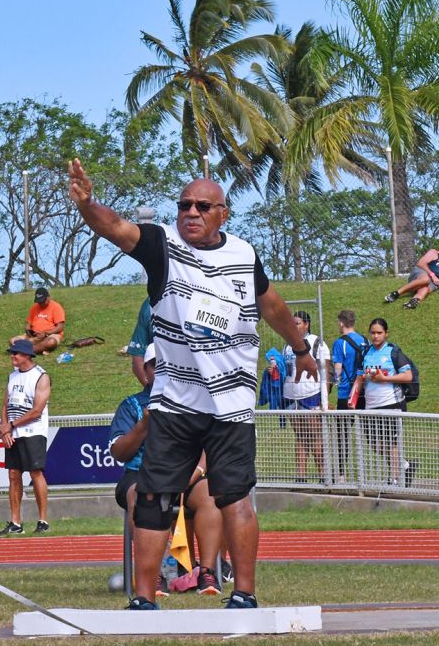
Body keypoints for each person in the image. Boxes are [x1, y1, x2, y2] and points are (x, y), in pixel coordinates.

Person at [69, 158, 317, 611]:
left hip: (231, 405)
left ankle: (243, 594)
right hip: (175, 402)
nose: (191, 213)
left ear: (223, 213)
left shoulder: (243, 254)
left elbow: (273, 305)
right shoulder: (162, 246)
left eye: (203, 206)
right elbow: (116, 227)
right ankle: (143, 599)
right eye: (184, 204)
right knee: (153, 498)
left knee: (235, 498)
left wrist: (300, 349)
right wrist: (88, 205)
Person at [109, 344, 224, 597]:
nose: (162, 370)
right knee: (139, 494)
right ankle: (154, 575)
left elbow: (209, 447)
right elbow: (118, 452)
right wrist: (144, 425)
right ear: (146, 371)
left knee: (211, 494)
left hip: (184, 473)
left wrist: (196, 472)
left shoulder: (192, 402)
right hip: (140, 472)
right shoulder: (132, 406)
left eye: (167, 364)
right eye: (155, 365)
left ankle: (206, 573)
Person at [0, 339, 52, 536]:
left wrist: (11, 425)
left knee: (35, 473)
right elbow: (5, 404)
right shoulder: (12, 376)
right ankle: (15, 522)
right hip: (14, 433)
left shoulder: (40, 377)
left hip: (33, 432)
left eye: (16, 353)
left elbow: (36, 411)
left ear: (27, 355)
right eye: (12, 353)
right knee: (13, 475)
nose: (12, 356)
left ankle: (43, 520)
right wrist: (5, 429)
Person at [352, 318, 414, 485]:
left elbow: (408, 376)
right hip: (371, 405)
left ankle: (394, 479)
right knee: (375, 444)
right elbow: (359, 378)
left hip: (391, 403)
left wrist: (385, 378)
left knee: (390, 442)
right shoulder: (365, 353)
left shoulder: (393, 352)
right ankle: (405, 465)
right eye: (373, 333)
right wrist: (353, 396)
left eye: (379, 333)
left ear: (386, 334)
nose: (376, 336)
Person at [282, 311, 331, 482]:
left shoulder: (317, 342)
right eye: (292, 323)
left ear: (306, 324)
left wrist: (325, 397)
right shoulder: (288, 344)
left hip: (311, 395)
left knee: (315, 436)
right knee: (300, 437)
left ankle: (323, 476)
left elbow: (326, 371)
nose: (294, 327)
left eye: (297, 323)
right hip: (291, 396)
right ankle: (300, 477)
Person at [330, 310, 368, 480]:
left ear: (341, 323)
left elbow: (337, 369)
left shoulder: (340, 343)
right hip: (363, 392)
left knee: (343, 433)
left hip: (346, 393)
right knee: (369, 431)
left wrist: (332, 382)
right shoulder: (365, 341)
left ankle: (341, 474)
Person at [383, 236, 439, 309]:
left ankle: (413, 301)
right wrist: (432, 275)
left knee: (425, 289)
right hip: (422, 273)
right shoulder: (434, 253)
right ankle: (396, 293)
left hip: (435, 282)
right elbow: (421, 263)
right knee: (426, 279)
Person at [14, 287, 66, 354]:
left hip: (50, 335)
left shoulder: (56, 307)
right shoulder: (34, 307)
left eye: (43, 301)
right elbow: (28, 324)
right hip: (34, 336)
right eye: (39, 302)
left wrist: (46, 333)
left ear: (48, 297)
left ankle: (26, 351)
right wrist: (28, 330)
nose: (41, 303)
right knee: (13, 341)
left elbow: (60, 327)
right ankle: (40, 349)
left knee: (51, 342)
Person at [126, 297, 154, 386]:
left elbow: (138, 359)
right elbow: (138, 358)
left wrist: (152, 393)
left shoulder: (150, 303)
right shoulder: (149, 304)